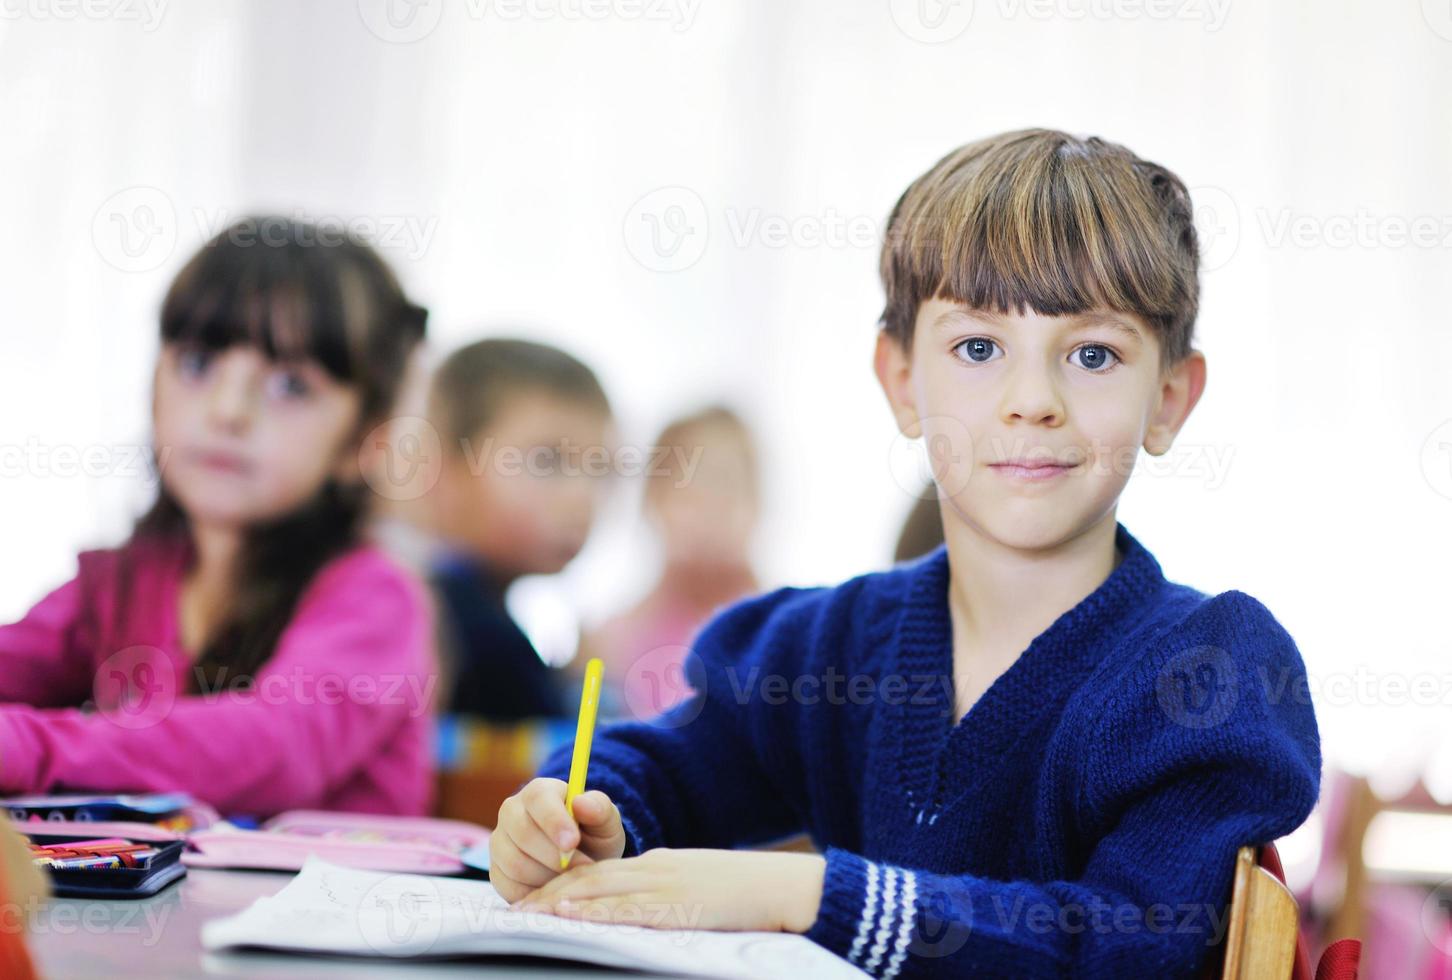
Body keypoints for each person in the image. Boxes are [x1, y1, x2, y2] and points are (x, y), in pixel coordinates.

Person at [488, 130, 1321, 979]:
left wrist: (807, 896)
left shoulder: (1210, 671)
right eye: (978, 348)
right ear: (900, 381)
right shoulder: (826, 647)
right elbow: (662, 766)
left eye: (1094, 354)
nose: (1032, 400)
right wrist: (582, 813)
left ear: (1170, 400)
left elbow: (1127, 946)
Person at [0, 217, 436, 817]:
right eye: (199, 364)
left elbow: (273, 747)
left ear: (364, 440)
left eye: (290, 385)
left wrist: (30, 748)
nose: (228, 411)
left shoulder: (375, 599)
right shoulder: (118, 583)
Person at [425, 338, 614, 723]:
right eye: (548, 461)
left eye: (602, 469)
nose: (582, 497)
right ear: (445, 464)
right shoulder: (473, 633)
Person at [585, 405, 761, 720]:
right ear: (652, 500)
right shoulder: (606, 644)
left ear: (757, 501)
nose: (711, 511)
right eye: (689, 492)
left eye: (727, 486)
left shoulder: (789, 639)